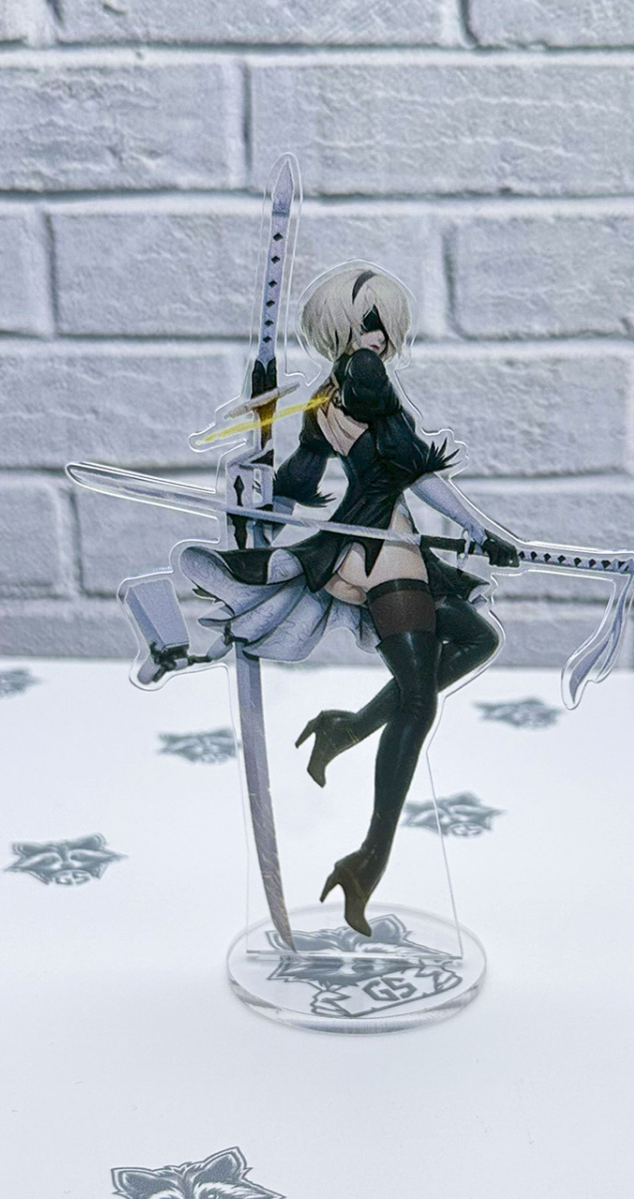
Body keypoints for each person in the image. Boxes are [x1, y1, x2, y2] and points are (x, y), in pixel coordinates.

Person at [179, 264, 518, 936]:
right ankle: (369, 858)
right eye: (367, 323)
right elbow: (415, 472)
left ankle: (347, 729)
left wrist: (260, 509)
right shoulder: (364, 376)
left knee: (478, 639)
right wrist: (482, 531)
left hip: (371, 549)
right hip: (383, 551)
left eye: (382, 324)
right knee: (418, 701)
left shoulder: (327, 392)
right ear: (343, 327)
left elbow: (298, 483)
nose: (378, 337)